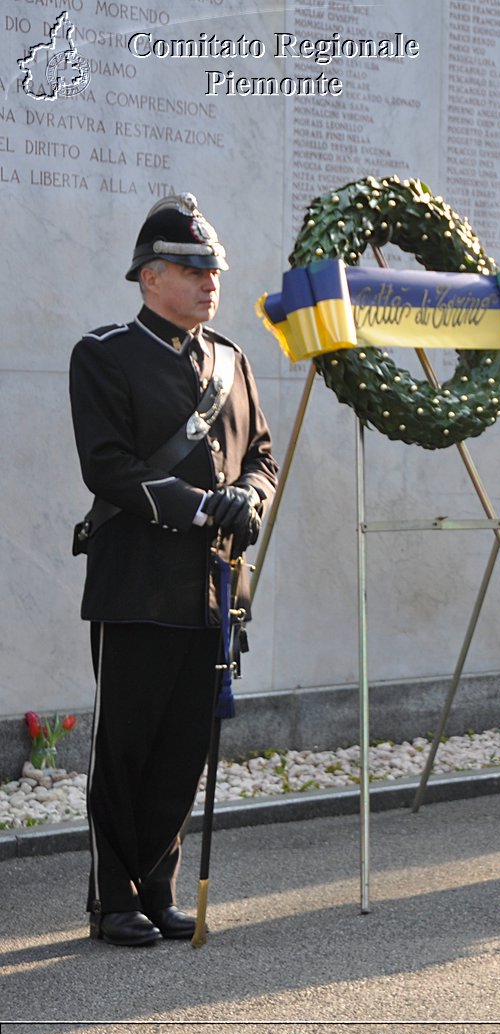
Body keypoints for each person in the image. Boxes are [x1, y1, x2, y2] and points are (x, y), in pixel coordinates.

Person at [69, 194, 277, 947]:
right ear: (151, 276)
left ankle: (157, 886)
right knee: (124, 746)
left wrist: (248, 498)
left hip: (214, 589)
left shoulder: (232, 358)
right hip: (137, 582)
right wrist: (199, 505)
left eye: (213, 268)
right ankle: (113, 896)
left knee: (186, 745)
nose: (208, 280)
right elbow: (108, 467)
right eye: (192, 269)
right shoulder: (105, 354)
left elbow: (262, 455)